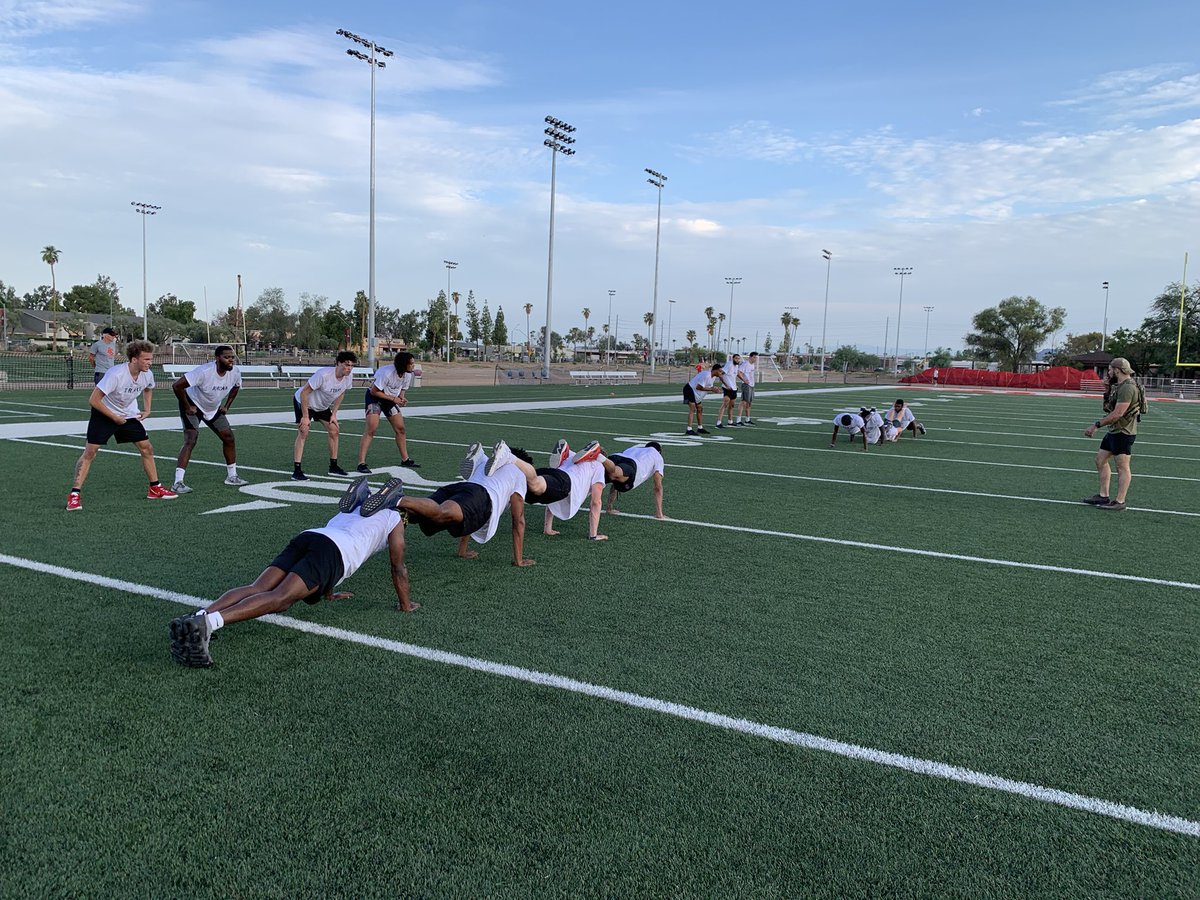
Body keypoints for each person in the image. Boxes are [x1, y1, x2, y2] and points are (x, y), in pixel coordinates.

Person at [169, 477, 415, 668]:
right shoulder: (394, 518)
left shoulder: (355, 508)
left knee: (258, 588)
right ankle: (207, 623)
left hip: (311, 536)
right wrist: (406, 604)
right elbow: (398, 566)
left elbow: (335, 539)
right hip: (335, 552)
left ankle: (199, 615)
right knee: (281, 599)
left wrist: (329, 593)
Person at [365, 440, 534, 566]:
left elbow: (468, 511)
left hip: (461, 488)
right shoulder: (519, 474)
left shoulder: (488, 465)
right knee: (440, 512)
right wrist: (518, 560)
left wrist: (462, 550)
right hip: (481, 498)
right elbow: (518, 520)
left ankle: (377, 507)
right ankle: (397, 498)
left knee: (419, 515)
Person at [66, 340, 177, 510]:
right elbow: (93, 400)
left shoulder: (147, 374)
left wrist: (147, 409)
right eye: (146, 359)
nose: (150, 362)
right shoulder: (116, 374)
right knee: (90, 452)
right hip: (104, 413)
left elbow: (148, 388)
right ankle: (74, 495)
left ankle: (155, 488)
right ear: (134, 359)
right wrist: (114, 417)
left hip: (128, 415)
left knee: (147, 448)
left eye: (150, 359)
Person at [170, 345, 248, 493]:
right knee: (191, 439)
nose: (231, 360)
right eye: (226, 357)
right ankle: (178, 482)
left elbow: (236, 387)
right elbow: (177, 386)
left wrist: (227, 406)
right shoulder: (204, 372)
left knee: (229, 438)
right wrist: (187, 407)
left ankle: (232, 476)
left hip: (213, 409)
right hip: (193, 404)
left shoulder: (235, 372)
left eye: (232, 357)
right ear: (217, 358)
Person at [1082, 357, 1140, 511]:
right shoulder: (1119, 386)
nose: (1108, 372)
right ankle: (1103, 495)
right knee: (1100, 460)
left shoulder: (1128, 387)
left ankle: (1120, 502)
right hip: (1115, 430)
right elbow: (1109, 408)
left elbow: (1117, 413)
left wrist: (1096, 425)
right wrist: (1107, 389)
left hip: (1123, 432)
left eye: (1109, 369)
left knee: (1122, 467)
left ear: (1117, 370)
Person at [293, 351, 357, 480]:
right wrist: (305, 417)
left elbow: (341, 393)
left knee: (334, 430)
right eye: (346, 365)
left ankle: (333, 467)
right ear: (338, 363)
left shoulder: (348, 377)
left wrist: (334, 414)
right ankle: (297, 470)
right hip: (305, 402)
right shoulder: (323, 375)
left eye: (351, 366)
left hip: (322, 406)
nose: (349, 368)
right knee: (303, 431)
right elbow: (304, 393)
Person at [356, 350, 419, 473]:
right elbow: (374, 391)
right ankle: (361, 463)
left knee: (400, 429)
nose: (413, 366)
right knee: (371, 429)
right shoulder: (387, 373)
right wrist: (393, 399)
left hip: (390, 399)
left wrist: (401, 399)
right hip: (375, 398)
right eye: (411, 363)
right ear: (403, 364)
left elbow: (402, 390)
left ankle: (405, 459)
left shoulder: (408, 375)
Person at [601, 441, 665, 518]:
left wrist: (609, 508)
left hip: (615, 457)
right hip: (632, 465)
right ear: (659, 451)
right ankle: (599, 457)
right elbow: (658, 487)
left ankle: (600, 459)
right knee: (616, 473)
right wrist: (659, 514)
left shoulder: (634, 449)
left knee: (597, 480)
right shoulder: (657, 455)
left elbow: (615, 484)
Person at [684, 364, 723, 435]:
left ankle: (700, 428)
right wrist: (711, 389)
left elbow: (708, 386)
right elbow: (698, 387)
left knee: (700, 408)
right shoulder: (707, 375)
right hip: (690, 389)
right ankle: (689, 429)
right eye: (720, 371)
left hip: (695, 392)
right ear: (715, 370)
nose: (721, 373)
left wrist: (715, 389)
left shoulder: (713, 377)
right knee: (692, 409)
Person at [714, 353, 741, 428]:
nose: (737, 360)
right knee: (725, 404)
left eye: (738, 359)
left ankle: (730, 422)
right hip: (727, 388)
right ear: (733, 358)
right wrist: (726, 385)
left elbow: (732, 377)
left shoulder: (737, 366)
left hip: (734, 388)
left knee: (731, 406)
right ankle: (718, 423)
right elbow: (721, 374)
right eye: (736, 358)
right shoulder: (729, 364)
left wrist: (735, 385)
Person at [735, 351, 758, 425]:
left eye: (756, 357)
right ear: (750, 357)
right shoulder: (745, 364)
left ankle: (747, 420)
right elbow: (739, 372)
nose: (755, 359)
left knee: (749, 403)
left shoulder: (753, 365)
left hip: (751, 385)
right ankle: (738, 420)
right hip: (746, 385)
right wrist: (744, 380)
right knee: (743, 402)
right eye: (754, 357)